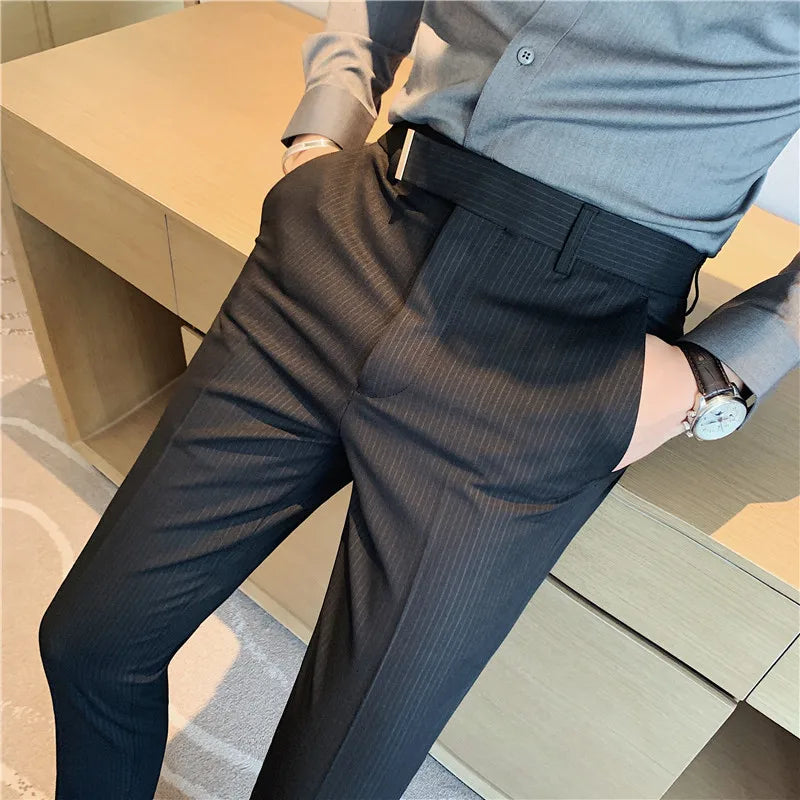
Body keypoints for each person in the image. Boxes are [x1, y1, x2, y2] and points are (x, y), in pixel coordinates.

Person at [38, 1, 799, 798]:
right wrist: (321, 130)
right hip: (353, 234)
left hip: (564, 346)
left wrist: (724, 370)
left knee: (332, 784)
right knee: (92, 642)